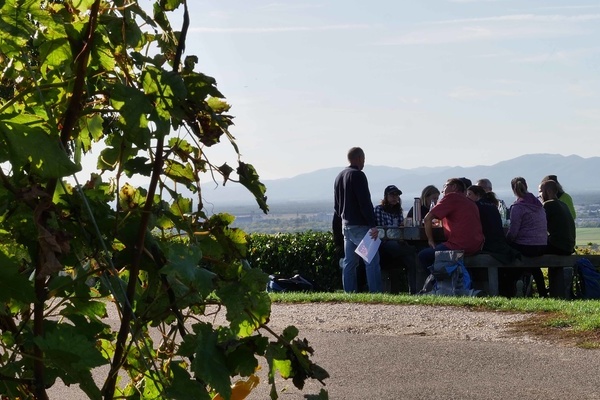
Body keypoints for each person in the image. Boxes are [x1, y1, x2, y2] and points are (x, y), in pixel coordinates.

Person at [334, 147, 382, 293]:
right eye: (364, 159)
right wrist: (373, 225)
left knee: (350, 262)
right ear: (360, 158)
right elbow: (364, 202)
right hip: (361, 226)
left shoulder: (339, 176)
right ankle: (376, 293)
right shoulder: (358, 175)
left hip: (346, 226)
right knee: (371, 262)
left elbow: (337, 207)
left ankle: (349, 293)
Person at [418, 178, 484, 276]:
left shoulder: (452, 197)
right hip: (476, 246)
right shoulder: (470, 202)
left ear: (454, 187)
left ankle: (438, 286)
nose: (442, 191)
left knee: (423, 255)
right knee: (440, 250)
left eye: (445, 186)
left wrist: (430, 240)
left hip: (459, 246)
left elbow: (427, 219)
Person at [506, 177, 548, 297]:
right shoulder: (538, 204)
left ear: (513, 189)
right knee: (534, 266)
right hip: (542, 245)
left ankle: (509, 290)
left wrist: (506, 242)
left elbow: (513, 232)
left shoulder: (518, 207)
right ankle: (542, 293)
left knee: (506, 254)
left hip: (526, 246)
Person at [374, 185, 417, 294]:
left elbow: (400, 228)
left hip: (397, 242)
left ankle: (414, 291)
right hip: (384, 244)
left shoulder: (398, 211)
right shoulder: (379, 209)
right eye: (392, 194)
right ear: (386, 196)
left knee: (411, 260)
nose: (395, 197)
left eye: (397, 195)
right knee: (412, 251)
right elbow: (381, 231)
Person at [466, 185, 518, 263]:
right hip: (500, 244)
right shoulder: (492, 205)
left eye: (469, 194)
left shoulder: (476, 206)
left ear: (478, 195)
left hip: (488, 245)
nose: (467, 197)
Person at [539, 180, 576, 255]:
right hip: (569, 248)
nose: (539, 195)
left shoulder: (548, 205)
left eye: (541, 191)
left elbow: (538, 227)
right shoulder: (563, 205)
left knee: (531, 249)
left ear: (549, 191)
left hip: (557, 247)